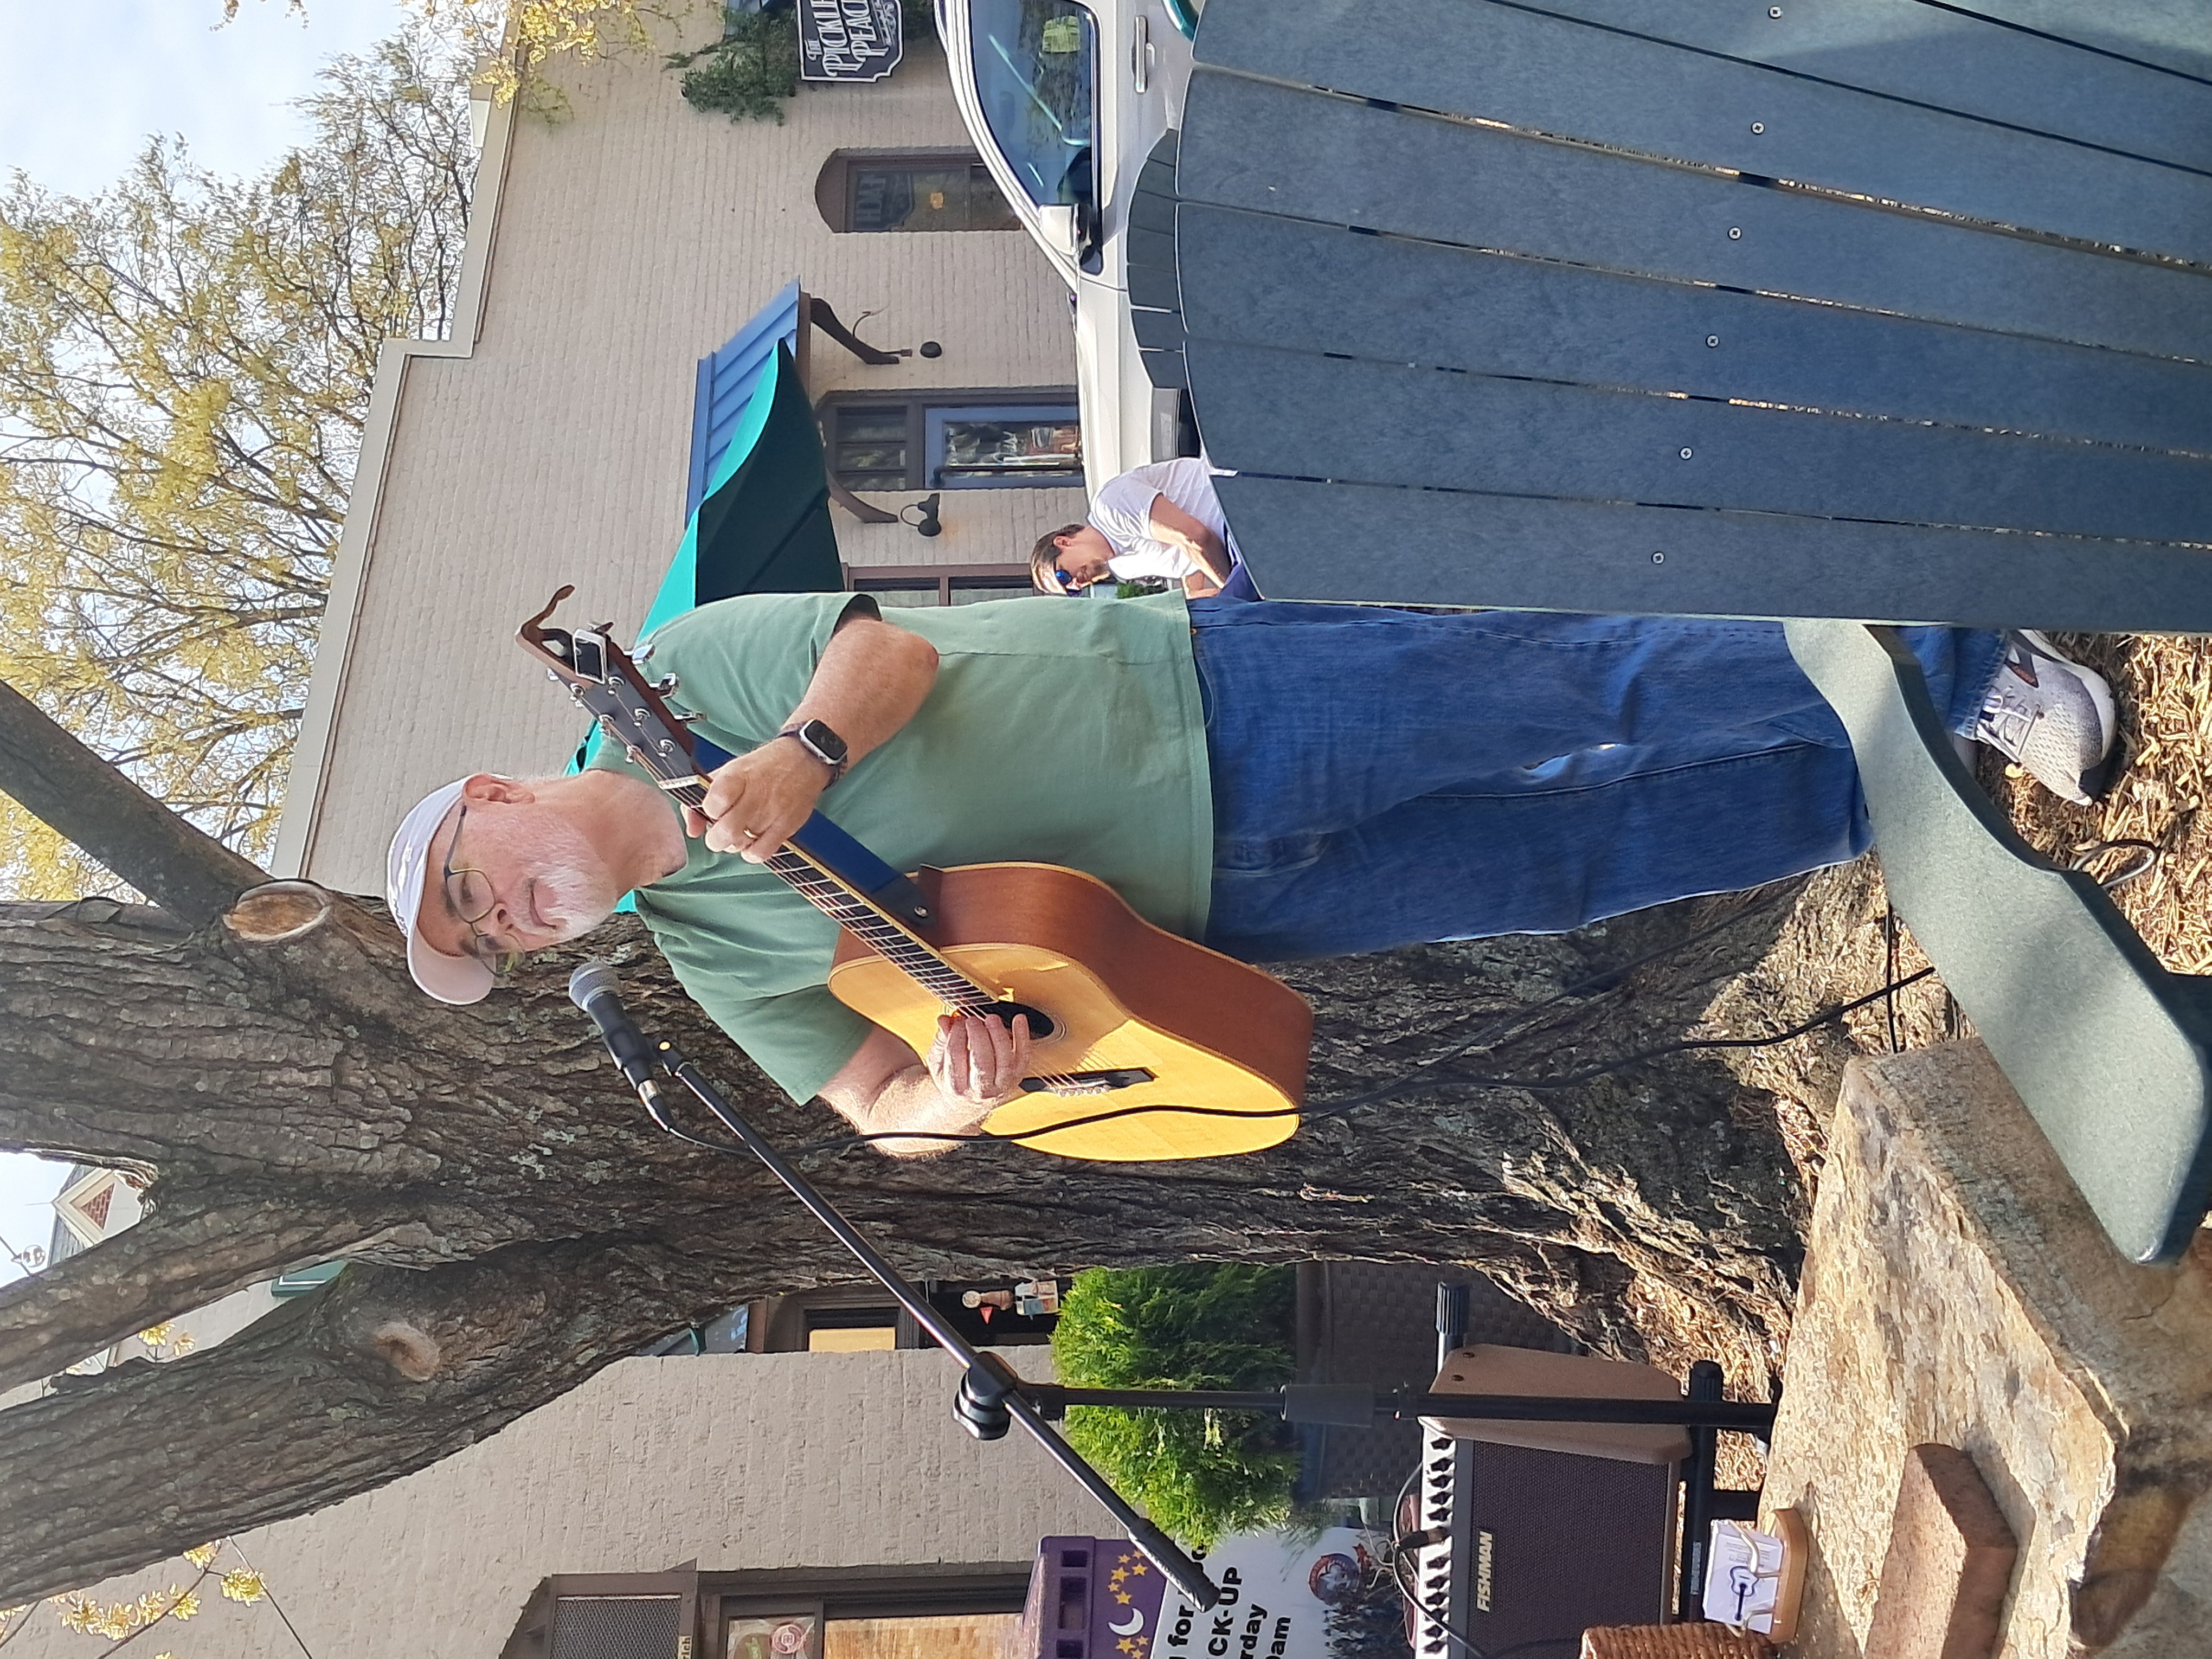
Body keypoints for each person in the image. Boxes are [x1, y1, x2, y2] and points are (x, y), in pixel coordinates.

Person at [387, 595, 2117, 1153]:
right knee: (1570, 864)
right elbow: (877, 1115)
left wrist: (802, 755)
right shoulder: (704, 956)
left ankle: (1962, 660)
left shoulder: (682, 671)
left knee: (1576, 688)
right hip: (1202, 923)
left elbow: (888, 654)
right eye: (494, 940)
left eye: (477, 884)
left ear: (496, 792)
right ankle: (1890, 795)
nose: (511, 921)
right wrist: (969, 1089)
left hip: (1207, 706)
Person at [1031, 457, 1259, 600]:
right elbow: (1187, 556)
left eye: (1063, 576)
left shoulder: (1109, 508)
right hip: (1233, 543)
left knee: (1236, 614)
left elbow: (1193, 538)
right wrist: (1193, 590)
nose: (1075, 583)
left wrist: (1232, 595)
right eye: (1071, 591)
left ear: (1064, 542)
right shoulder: (1122, 567)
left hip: (1234, 505)